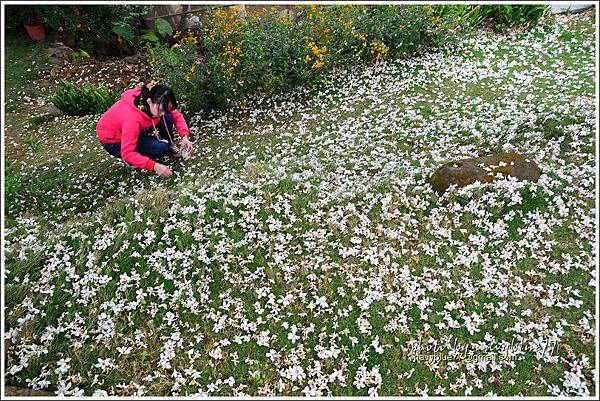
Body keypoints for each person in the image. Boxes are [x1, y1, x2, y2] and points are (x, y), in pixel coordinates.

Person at [96, 80, 194, 177]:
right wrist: (155, 166)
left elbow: (176, 115)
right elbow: (127, 152)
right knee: (160, 148)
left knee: (168, 116)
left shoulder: (154, 97)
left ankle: (170, 144)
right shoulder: (132, 119)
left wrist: (185, 137)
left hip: (130, 128)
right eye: (160, 110)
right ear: (149, 102)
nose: (162, 113)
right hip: (114, 141)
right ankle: (133, 158)